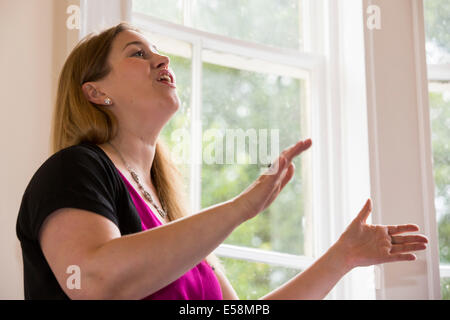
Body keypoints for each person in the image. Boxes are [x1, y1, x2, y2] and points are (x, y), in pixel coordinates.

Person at [16, 22, 429, 300]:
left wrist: (343, 258)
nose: (163, 60)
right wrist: (241, 208)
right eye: (138, 54)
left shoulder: (170, 217)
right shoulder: (73, 170)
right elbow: (92, 280)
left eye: (159, 52)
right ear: (95, 92)